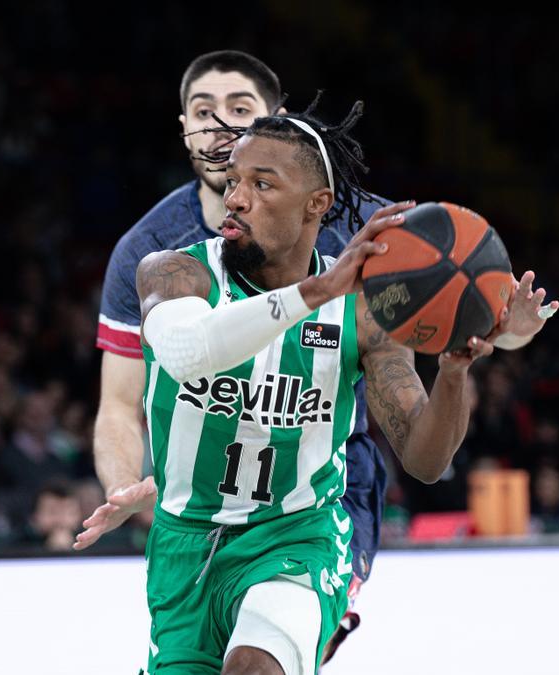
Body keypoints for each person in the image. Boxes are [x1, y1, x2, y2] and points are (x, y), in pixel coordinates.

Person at [78, 100, 554, 673]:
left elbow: (427, 461)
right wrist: (316, 292)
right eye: (233, 181)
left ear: (317, 204)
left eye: (262, 183)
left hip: (296, 537)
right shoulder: (175, 272)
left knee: (256, 666)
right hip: (185, 547)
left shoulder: (363, 315)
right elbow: (185, 353)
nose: (236, 198)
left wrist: (455, 370)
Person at [89, 49, 392, 660]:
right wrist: (128, 486)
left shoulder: (357, 229)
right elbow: (119, 404)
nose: (220, 124)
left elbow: (443, 308)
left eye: (240, 108)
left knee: (271, 651)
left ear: (274, 122)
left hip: (318, 491)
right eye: (203, 111)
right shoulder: (151, 249)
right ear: (182, 127)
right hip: (200, 501)